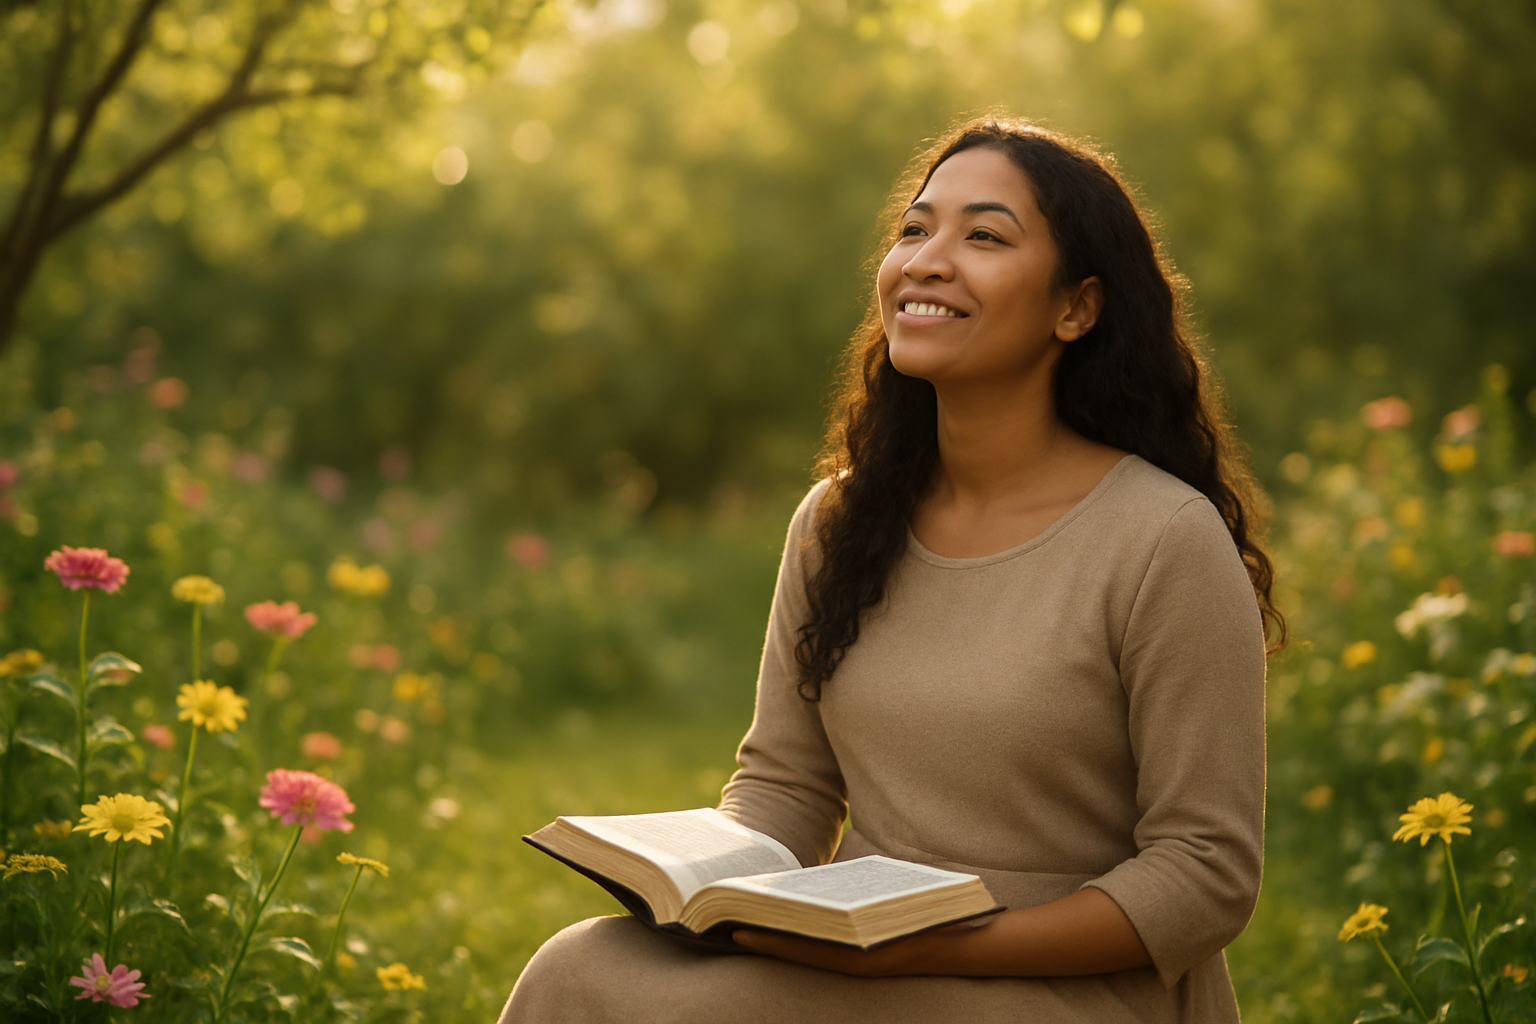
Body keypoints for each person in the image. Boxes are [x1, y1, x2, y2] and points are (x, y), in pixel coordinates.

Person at [498, 117, 1282, 1024]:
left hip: (1064, 988)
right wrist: (708, 886)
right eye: (915, 229)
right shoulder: (838, 521)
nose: (927, 261)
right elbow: (786, 789)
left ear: (1077, 308)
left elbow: (1205, 873)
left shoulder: (1164, 539)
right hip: (860, 959)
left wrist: (952, 948)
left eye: (984, 236)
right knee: (578, 969)